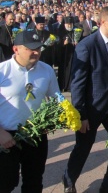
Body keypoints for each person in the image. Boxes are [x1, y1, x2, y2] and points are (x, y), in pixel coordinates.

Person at [63, 6, 108, 193]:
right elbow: (78, 84)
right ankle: (69, 180)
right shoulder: (87, 45)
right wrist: (81, 114)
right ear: (102, 22)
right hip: (91, 109)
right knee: (83, 147)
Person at [0, 30, 60, 192]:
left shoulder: (47, 70)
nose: (36, 52)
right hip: (6, 137)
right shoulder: (2, 71)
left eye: (38, 48)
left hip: (36, 135)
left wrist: (54, 119)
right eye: (30, 48)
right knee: (6, 182)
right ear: (16, 49)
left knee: (34, 181)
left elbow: (57, 99)